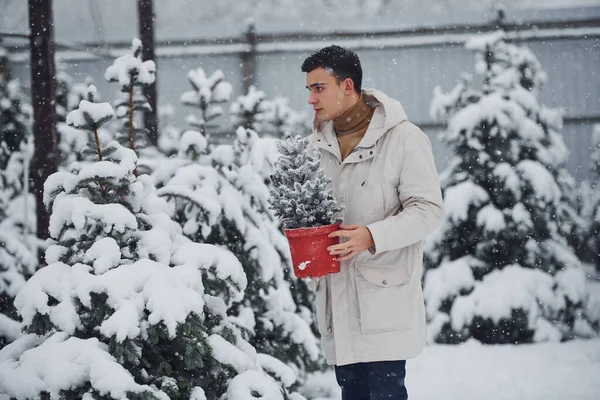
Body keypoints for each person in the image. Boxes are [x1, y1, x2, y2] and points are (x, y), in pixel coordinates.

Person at [301, 45, 444, 400]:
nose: (311, 99)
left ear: (347, 86)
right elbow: (306, 213)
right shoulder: (314, 146)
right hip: (336, 300)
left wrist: (371, 236)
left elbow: (428, 210)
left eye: (319, 88)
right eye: (309, 90)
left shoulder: (404, 140)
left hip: (383, 303)